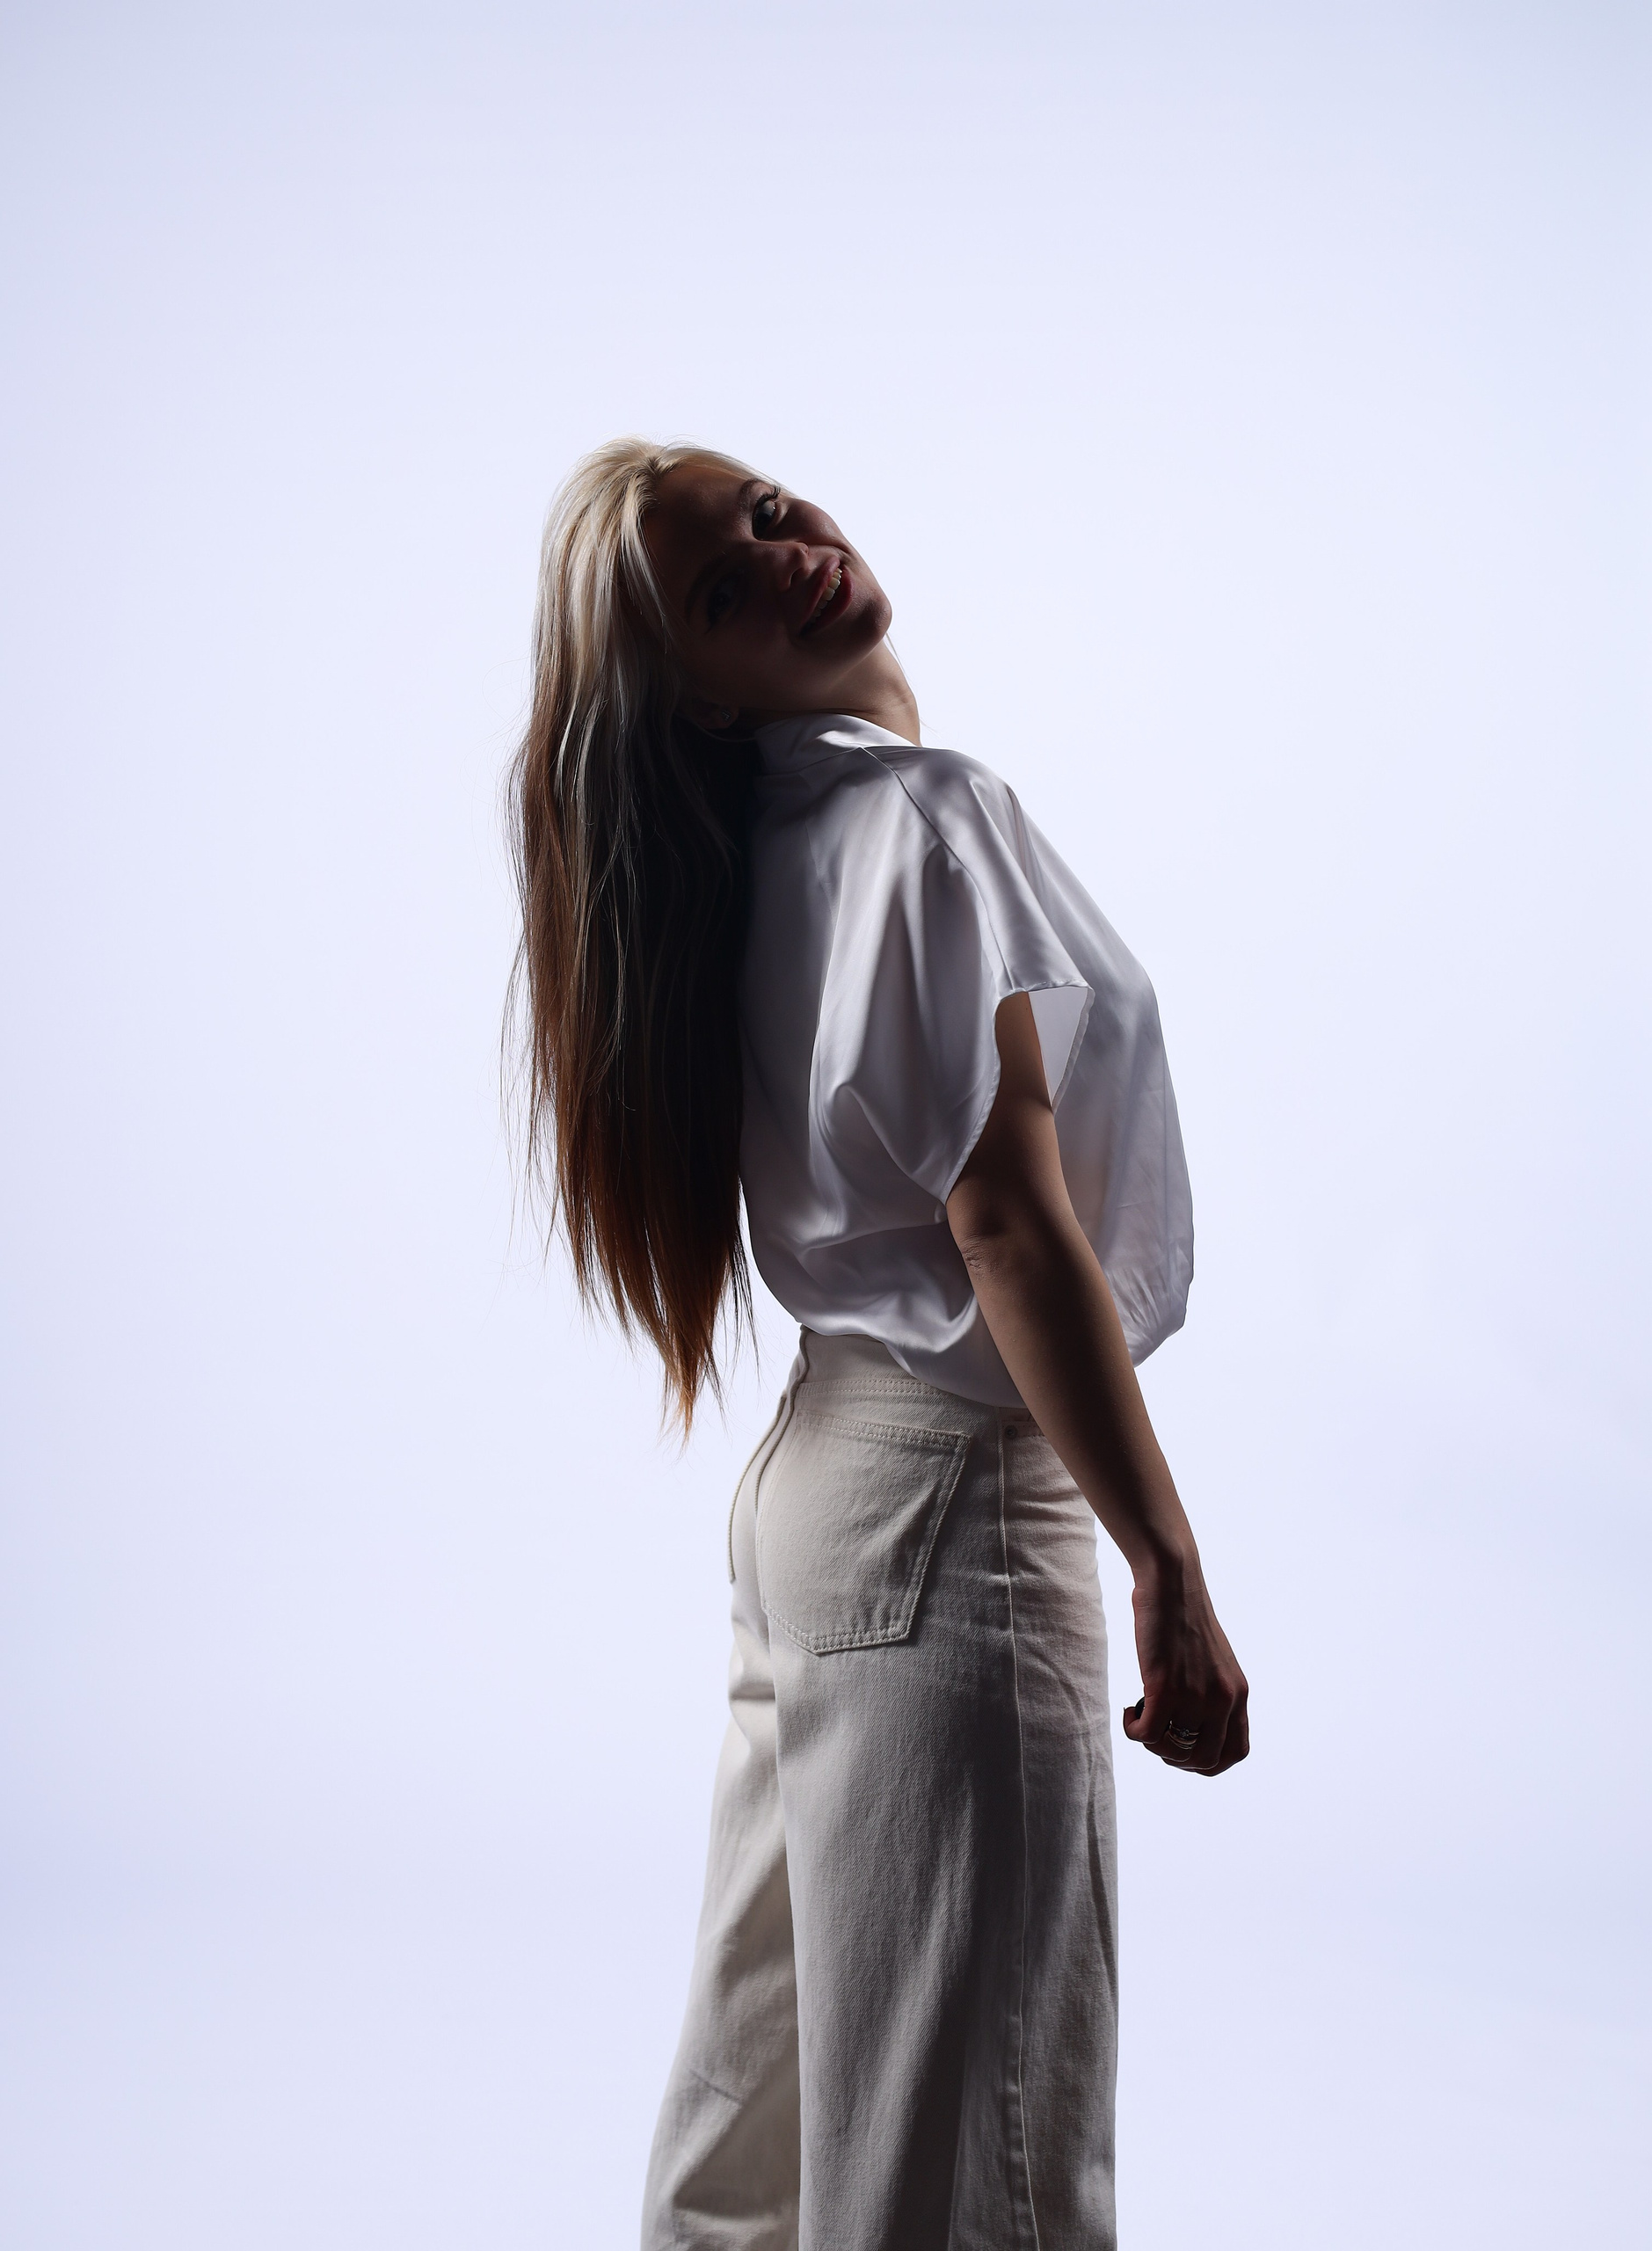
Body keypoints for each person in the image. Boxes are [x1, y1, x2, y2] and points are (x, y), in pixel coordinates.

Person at [506, 439, 1249, 2251]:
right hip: (949, 1506)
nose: (789, 556)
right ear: (696, 686)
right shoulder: (917, 820)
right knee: (972, 2167)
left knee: (752, 2135)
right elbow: (1006, 1223)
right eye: (725, 586)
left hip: (823, 1498)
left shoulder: (758, 855)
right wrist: (1164, 1559)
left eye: (766, 513)